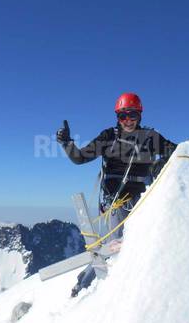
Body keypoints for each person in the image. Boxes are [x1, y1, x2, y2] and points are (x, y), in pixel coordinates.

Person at [56, 92, 177, 297]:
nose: (128, 121)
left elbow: (176, 152)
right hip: (116, 203)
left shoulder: (151, 138)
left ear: (140, 116)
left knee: (142, 245)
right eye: (123, 116)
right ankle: (89, 286)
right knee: (116, 248)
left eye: (133, 115)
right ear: (117, 117)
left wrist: (160, 163)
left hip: (145, 201)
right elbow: (80, 158)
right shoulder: (108, 137)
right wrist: (67, 143)